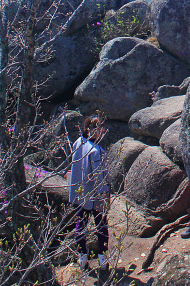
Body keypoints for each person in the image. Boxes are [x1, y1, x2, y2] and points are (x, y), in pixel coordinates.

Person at [70, 115, 110, 271]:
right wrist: (105, 196)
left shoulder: (77, 143)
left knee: (81, 224)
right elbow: (100, 177)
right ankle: (103, 260)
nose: (102, 132)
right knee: (101, 226)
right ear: (90, 130)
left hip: (79, 192)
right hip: (95, 196)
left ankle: (82, 258)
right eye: (99, 129)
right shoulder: (96, 151)